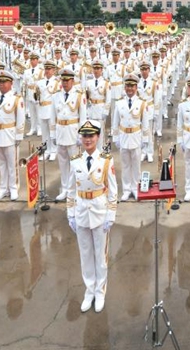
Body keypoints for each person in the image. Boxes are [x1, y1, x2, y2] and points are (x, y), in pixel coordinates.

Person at [67, 120, 117, 314]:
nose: (88, 140)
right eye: (84, 136)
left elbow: (113, 190)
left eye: (91, 136)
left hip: (99, 211)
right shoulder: (75, 161)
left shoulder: (106, 160)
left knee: (100, 255)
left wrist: (110, 215)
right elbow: (71, 190)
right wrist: (70, 213)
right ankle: (89, 290)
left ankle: (100, 291)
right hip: (81, 211)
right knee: (85, 254)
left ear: (97, 137)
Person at [112, 73, 151, 201]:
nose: (129, 89)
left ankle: (135, 188)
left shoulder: (142, 103)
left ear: (136, 87)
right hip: (123, 137)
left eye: (132, 86)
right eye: (127, 86)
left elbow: (145, 124)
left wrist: (145, 139)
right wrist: (115, 138)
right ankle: (126, 189)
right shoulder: (119, 103)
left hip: (136, 137)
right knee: (125, 165)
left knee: (136, 165)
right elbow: (115, 123)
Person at [0, 71, 25, 201]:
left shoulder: (16, 98)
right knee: (1, 164)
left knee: (12, 164)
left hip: (10, 135)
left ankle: (14, 188)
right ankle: (3, 189)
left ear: (11, 83)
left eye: (5, 82)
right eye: (0, 82)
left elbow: (20, 118)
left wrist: (19, 135)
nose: (2, 85)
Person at [51, 68, 87, 202]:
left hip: (73, 134)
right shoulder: (55, 96)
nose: (65, 83)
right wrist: (52, 134)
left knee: (75, 164)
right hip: (60, 132)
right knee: (62, 163)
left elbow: (83, 118)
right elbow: (52, 116)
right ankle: (65, 188)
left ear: (72, 81)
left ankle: (75, 189)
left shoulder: (79, 95)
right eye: (63, 80)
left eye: (67, 80)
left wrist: (81, 135)